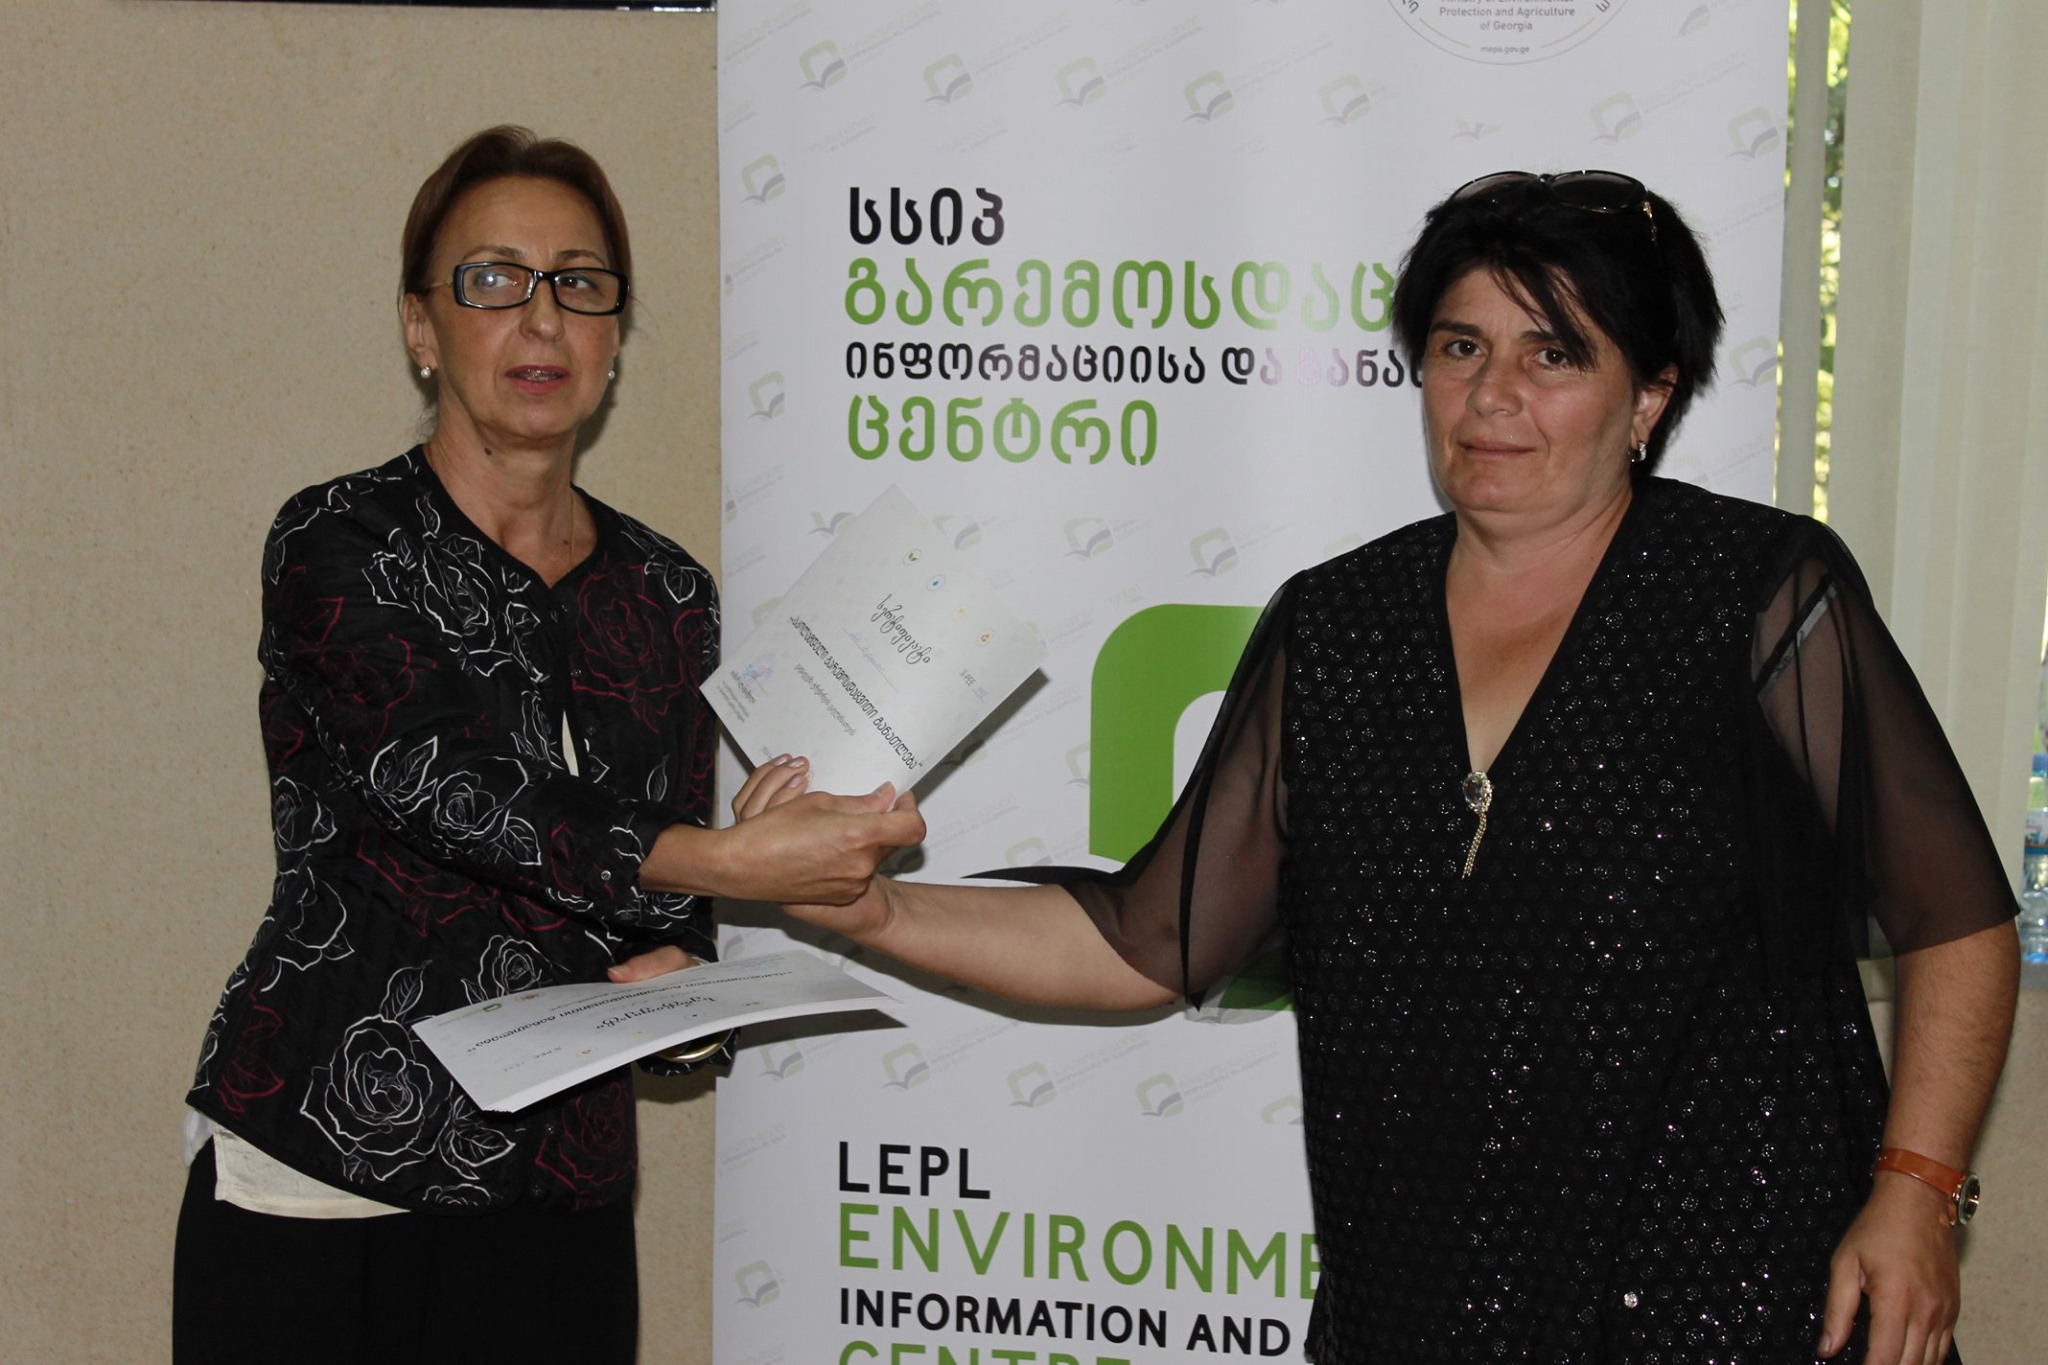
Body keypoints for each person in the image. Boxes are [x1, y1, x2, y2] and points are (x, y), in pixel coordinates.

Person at [734, 170, 2020, 1365]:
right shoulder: (1338, 628)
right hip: (1415, 1308)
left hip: (1735, 1306)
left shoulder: (1754, 595)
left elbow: (1954, 917)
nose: (1490, 395)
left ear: (1647, 398)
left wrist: (1914, 1190)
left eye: (1552, 354)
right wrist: (876, 911)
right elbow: (1144, 939)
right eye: (1460, 348)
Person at [174, 126, 922, 1364]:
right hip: (323, 1169)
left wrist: (690, 987)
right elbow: (447, 788)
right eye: (493, 280)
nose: (541, 318)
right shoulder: (338, 539)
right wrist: (722, 862)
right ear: (420, 327)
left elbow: (655, 911)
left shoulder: (667, 593)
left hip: (559, 1196)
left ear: (613, 336)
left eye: (579, 283)